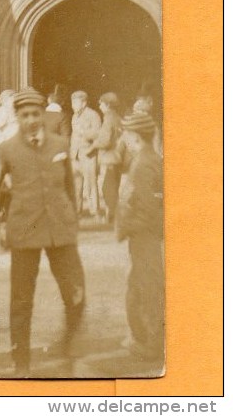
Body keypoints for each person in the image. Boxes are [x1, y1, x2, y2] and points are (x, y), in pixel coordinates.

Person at [0, 88, 85, 378]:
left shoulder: (61, 144)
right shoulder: (6, 149)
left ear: (43, 115)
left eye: (35, 114)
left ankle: (71, 346)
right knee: (21, 299)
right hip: (25, 230)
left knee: (76, 291)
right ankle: (21, 360)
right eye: (25, 115)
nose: (31, 120)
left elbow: (70, 185)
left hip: (60, 230)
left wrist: (72, 219)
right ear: (17, 117)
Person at [115, 111, 164, 363]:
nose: (123, 136)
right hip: (148, 234)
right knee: (141, 286)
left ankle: (151, 343)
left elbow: (143, 204)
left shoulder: (142, 164)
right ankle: (144, 338)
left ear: (133, 136)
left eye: (125, 132)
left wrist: (126, 228)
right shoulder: (153, 158)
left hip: (143, 235)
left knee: (145, 289)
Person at [70, 90, 103, 218]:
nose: (73, 105)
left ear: (84, 103)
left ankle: (94, 211)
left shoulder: (93, 115)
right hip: (76, 155)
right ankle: (77, 210)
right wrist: (71, 152)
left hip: (89, 154)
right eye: (72, 102)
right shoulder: (74, 116)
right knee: (76, 184)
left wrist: (83, 132)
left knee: (90, 184)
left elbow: (98, 134)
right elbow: (73, 135)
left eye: (75, 102)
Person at [94, 92, 123, 223]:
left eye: (101, 103)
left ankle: (112, 214)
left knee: (107, 187)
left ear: (107, 104)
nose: (100, 106)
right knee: (114, 185)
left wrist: (95, 143)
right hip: (117, 156)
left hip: (108, 157)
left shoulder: (107, 119)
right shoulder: (117, 117)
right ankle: (114, 213)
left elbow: (105, 141)